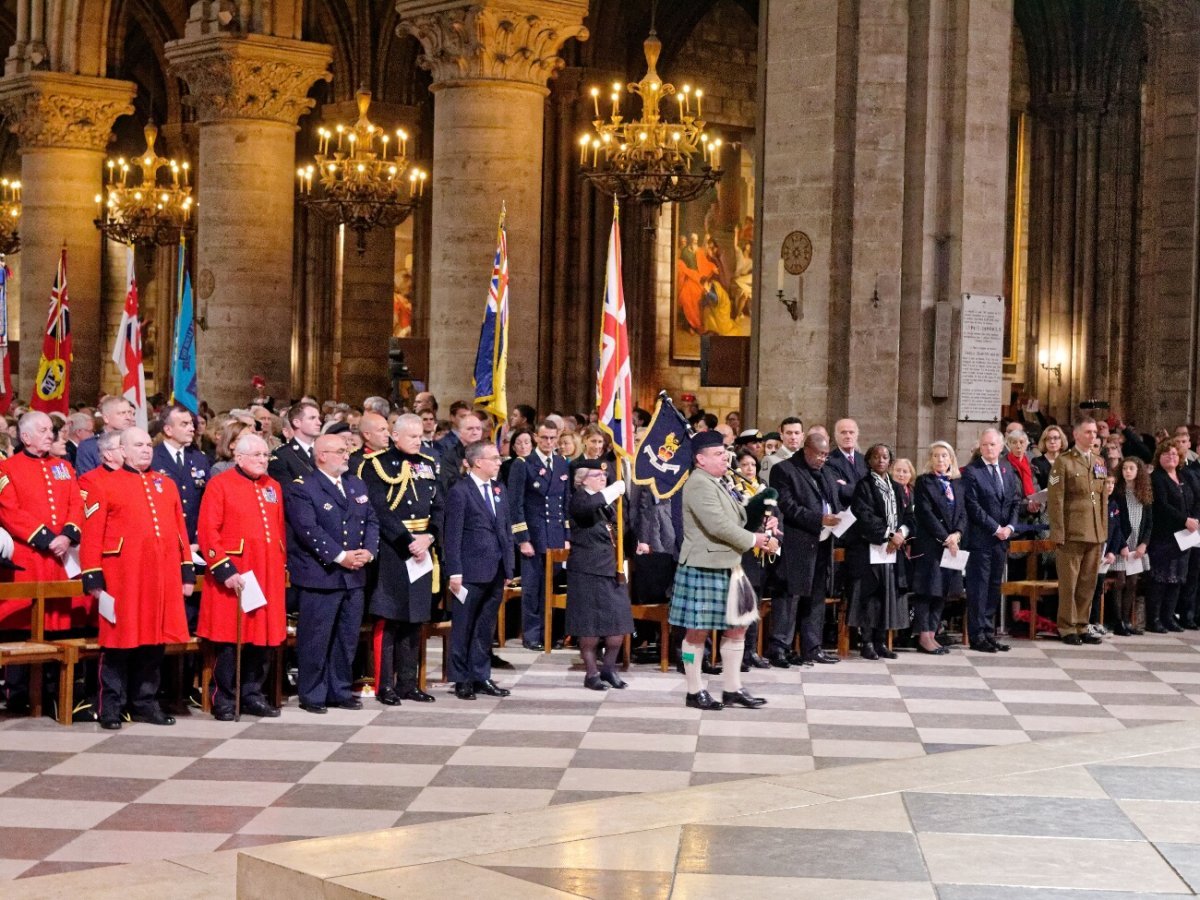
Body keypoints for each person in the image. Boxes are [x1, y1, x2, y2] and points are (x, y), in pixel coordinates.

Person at [80, 428, 194, 729]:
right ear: (122, 450)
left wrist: (186, 571)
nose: (145, 449)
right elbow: (92, 535)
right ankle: (110, 707)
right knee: (118, 642)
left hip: (160, 575)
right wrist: (92, 577)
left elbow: (180, 532)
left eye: (148, 444)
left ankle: (146, 702)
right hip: (122, 575)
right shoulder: (104, 484)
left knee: (153, 642)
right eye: (138, 445)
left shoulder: (165, 484)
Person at [670, 430, 777, 710]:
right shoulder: (698, 484)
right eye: (718, 454)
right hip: (704, 564)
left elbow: (739, 517)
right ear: (700, 459)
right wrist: (755, 540)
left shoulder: (719, 481)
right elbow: (718, 525)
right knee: (697, 631)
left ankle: (732, 688)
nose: (725, 458)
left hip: (728, 563)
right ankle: (694, 691)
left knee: (738, 626)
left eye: (724, 452)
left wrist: (761, 511)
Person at [285, 434, 379, 713]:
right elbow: (308, 530)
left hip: (354, 576)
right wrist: (340, 556)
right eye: (340, 451)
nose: (346, 455)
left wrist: (368, 552)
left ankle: (339, 690)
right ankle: (313, 694)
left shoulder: (355, 483)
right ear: (322, 455)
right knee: (316, 638)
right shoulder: (304, 487)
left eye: (346, 450)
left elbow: (371, 520)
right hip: (321, 576)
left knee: (346, 637)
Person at [196, 434, 287, 720]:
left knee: (262, 638)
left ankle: (252, 694)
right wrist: (224, 568)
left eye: (265, 455)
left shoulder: (273, 487)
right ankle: (223, 698)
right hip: (236, 573)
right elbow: (208, 530)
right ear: (239, 457)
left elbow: (279, 530)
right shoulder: (219, 485)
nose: (263, 460)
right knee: (230, 639)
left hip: (267, 572)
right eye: (256, 455)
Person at [356, 413, 441, 705]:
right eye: (413, 436)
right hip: (394, 549)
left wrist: (429, 537)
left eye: (421, 436)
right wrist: (408, 542)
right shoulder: (375, 465)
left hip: (422, 547)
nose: (419, 441)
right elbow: (379, 509)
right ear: (396, 436)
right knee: (389, 618)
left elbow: (438, 507)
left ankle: (408, 682)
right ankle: (384, 685)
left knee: (415, 619)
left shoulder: (428, 465)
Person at [0, 411, 85, 634]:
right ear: (26, 437)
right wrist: (47, 539)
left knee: (57, 624)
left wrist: (67, 536)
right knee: (21, 620)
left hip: (60, 557)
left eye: (51, 430)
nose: (50, 435)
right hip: (28, 555)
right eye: (43, 430)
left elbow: (76, 503)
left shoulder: (64, 467)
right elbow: (9, 511)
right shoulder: (7, 468)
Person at [443, 441, 515, 700]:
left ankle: (481, 675)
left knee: (485, 627)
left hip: (495, 569)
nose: (499, 462)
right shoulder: (460, 491)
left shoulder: (498, 488)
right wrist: (454, 571)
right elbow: (452, 535)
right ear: (477, 462)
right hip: (469, 571)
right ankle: (461, 678)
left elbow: (505, 529)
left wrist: (509, 566)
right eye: (494, 458)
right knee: (463, 626)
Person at [769, 431, 842, 667]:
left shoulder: (827, 473)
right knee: (790, 597)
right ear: (806, 449)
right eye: (819, 454)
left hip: (822, 542)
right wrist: (819, 518)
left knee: (817, 596)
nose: (823, 459)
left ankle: (812, 647)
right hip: (796, 543)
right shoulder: (784, 470)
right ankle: (780, 648)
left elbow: (834, 501)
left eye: (826, 455)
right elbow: (787, 506)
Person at [567, 461, 633, 690]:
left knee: (618, 624)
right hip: (587, 570)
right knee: (590, 628)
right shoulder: (580, 499)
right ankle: (591, 673)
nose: (603, 478)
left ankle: (609, 668)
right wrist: (612, 490)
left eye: (605, 475)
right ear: (583, 479)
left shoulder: (607, 504)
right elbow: (585, 510)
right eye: (597, 475)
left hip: (612, 569)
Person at [844, 444, 912, 659]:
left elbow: (908, 516)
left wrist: (901, 533)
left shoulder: (897, 487)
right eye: (876, 457)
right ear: (869, 461)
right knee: (871, 596)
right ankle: (866, 642)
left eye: (885, 457)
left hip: (893, 550)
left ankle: (881, 641)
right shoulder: (863, 486)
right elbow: (863, 515)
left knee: (887, 595)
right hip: (870, 548)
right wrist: (888, 534)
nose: (881, 460)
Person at [508, 419, 570, 651]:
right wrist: (523, 539)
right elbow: (516, 506)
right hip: (533, 536)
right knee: (532, 588)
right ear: (536, 437)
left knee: (550, 589)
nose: (548, 442)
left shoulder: (562, 463)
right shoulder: (523, 464)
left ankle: (549, 633)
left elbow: (565, 503)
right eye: (544, 438)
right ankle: (532, 634)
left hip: (554, 535)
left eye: (553, 438)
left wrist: (566, 535)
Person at [1047, 417, 1108, 645]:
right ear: (1076, 435)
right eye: (1088, 432)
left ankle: (1082, 625)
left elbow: (1102, 498)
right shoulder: (1063, 462)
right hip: (1072, 531)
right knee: (1069, 583)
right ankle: (1066, 626)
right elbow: (1055, 499)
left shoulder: (1099, 461)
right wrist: (1058, 532)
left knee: (1088, 582)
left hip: (1094, 532)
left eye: (1095, 432)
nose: (1093, 436)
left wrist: (1103, 530)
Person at [962, 428, 1021, 651]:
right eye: (985, 445)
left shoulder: (1007, 468)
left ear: (1001, 446)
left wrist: (1010, 527)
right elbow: (972, 506)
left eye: (993, 444)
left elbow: (1015, 500)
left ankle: (989, 632)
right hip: (980, 540)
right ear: (980, 446)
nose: (989, 448)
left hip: (1001, 540)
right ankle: (977, 636)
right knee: (979, 588)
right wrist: (995, 527)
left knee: (994, 586)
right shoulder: (972, 471)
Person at [911, 441, 967, 654]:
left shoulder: (957, 484)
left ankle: (933, 634)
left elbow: (963, 513)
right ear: (930, 459)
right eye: (936, 456)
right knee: (927, 590)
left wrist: (957, 534)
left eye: (944, 456)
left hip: (951, 545)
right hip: (932, 544)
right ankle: (924, 636)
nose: (940, 459)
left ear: (951, 459)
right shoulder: (925, 482)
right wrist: (946, 537)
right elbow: (925, 513)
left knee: (942, 591)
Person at [1146, 441, 1197, 632]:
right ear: (1159, 457)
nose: (1171, 457)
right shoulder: (1157, 478)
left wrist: (1194, 519)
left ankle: (1168, 617)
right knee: (1160, 578)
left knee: (1177, 578)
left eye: (1175, 454)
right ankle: (1154, 619)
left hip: (1185, 534)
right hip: (1164, 534)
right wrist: (1185, 520)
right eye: (1167, 454)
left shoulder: (1184, 476)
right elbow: (1162, 505)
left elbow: (1194, 499)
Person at [1109, 456, 1152, 635]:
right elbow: (1116, 523)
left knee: (1133, 582)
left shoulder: (1145, 494)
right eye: (1125, 468)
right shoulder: (1117, 494)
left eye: (1131, 468)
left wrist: (1144, 544)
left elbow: (1149, 522)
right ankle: (1117, 621)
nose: (1127, 471)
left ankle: (1127, 620)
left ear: (1138, 472)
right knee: (1120, 581)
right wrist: (1121, 545)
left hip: (1137, 545)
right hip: (1121, 545)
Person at [74, 397, 136, 475]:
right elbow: (86, 480)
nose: (128, 418)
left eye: (129, 413)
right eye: (122, 413)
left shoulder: (137, 442)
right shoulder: (90, 446)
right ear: (106, 418)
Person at [268, 400, 322, 484]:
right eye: (312, 418)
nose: (319, 423)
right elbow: (288, 491)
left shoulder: (326, 450)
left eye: (319, 418)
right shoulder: (282, 456)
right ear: (297, 423)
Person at [825, 418, 868, 507]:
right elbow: (839, 490)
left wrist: (848, 486)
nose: (848, 436)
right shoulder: (828, 461)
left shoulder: (864, 460)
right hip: (845, 513)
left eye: (851, 432)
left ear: (857, 435)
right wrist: (866, 490)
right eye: (843, 432)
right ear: (836, 435)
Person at [759, 417, 804, 482]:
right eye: (789, 433)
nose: (793, 437)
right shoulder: (770, 460)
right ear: (781, 436)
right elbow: (768, 489)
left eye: (797, 433)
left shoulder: (806, 459)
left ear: (802, 436)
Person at [1031, 425, 1066, 490]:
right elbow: (1035, 485)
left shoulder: (1068, 460)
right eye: (1048, 439)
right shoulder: (1037, 462)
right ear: (1044, 442)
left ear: (1061, 441)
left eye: (1055, 438)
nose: (1052, 442)